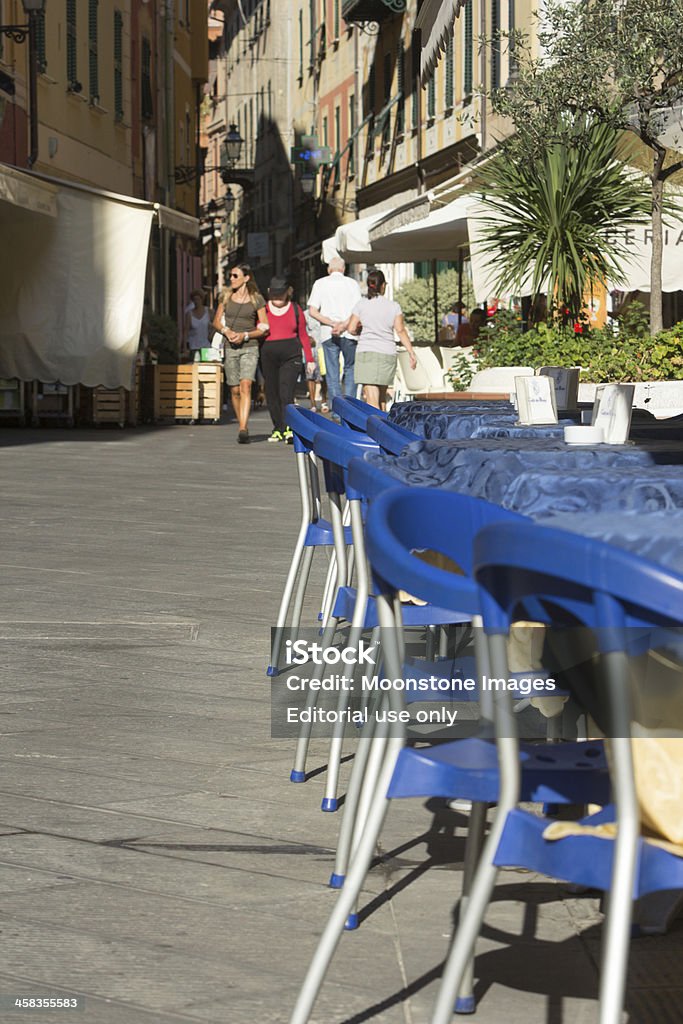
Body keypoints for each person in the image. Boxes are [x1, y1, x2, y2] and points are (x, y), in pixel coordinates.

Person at [213, 263, 268, 444]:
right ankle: (241, 422)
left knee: (246, 385)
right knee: (234, 389)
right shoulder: (226, 297)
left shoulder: (256, 299)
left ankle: (243, 428)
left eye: (235, 276)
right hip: (230, 347)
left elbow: (264, 327)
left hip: (250, 346)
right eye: (230, 275)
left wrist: (245, 335)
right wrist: (227, 332)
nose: (231, 279)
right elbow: (216, 322)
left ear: (246, 277)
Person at [347, 268, 417, 411]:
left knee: (372, 401)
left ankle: (376, 432)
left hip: (367, 353)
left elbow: (351, 328)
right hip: (387, 353)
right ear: (383, 285)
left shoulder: (361, 304)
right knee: (382, 400)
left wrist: (361, 330)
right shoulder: (394, 306)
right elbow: (400, 330)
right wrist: (411, 352)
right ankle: (384, 429)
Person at [261, 278, 316, 442]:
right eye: (274, 295)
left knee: (286, 392)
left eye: (281, 294)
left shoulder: (295, 309)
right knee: (271, 393)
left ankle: (290, 428)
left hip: (291, 356)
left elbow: (303, 335)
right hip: (268, 356)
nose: (277, 299)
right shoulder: (263, 310)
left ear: (287, 293)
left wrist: (310, 359)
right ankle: (278, 427)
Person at [307, 256, 361, 412]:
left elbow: (312, 311)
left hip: (327, 332)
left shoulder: (320, 283)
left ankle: (337, 410)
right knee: (351, 369)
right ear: (343, 269)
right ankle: (350, 408)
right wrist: (343, 325)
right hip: (349, 332)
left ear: (329, 269)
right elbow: (358, 310)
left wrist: (331, 323)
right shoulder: (352, 284)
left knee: (332, 372)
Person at [185, 289, 211, 361]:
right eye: (194, 300)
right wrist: (184, 347)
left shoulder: (208, 312)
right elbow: (186, 330)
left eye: (198, 299)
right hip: (194, 346)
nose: (196, 302)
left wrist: (211, 335)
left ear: (202, 300)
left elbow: (214, 326)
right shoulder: (189, 314)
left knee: (206, 368)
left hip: (206, 346)